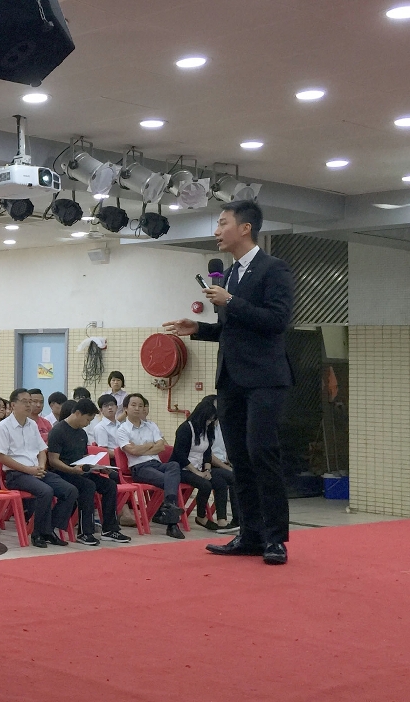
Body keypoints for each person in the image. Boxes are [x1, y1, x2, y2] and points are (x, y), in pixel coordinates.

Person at [165, 201, 295, 565]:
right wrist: (200, 329)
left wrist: (231, 300)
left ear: (245, 228)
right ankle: (250, 534)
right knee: (239, 457)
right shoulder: (232, 274)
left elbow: (277, 320)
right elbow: (232, 329)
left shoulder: (274, 269)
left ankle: (275, 539)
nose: (217, 231)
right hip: (231, 379)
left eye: (223, 223)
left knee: (262, 453)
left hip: (266, 379)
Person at [0, 388, 75, 548]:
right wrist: (29, 470)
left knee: (69, 490)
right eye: (25, 402)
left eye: (30, 401)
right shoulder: (3, 427)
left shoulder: (32, 425)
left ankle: (48, 530)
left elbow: (41, 450)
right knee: (45, 491)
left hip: (36, 470)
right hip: (16, 474)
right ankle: (37, 533)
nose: (29, 405)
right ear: (13, 405)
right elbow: (2, 457)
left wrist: (40, 466)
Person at [45, 399, 132, 546]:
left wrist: (98, 466)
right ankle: (85, 532)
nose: (88, 423)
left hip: (80, 470)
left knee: (110, 485)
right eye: (87, 419)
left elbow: (83, 456)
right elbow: (53, 460)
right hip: (62, 472)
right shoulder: (58, 431)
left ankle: (109, 529)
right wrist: (71, 469)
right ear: (78, 413)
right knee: (88, 486)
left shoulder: (82, 433)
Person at [116, 393, 185, 539]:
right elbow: (132, 451)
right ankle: (173, 524)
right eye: (133, 405)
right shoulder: (122, 430)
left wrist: (142, 448)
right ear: (126, 409)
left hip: (156, 463)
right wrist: (149, 445)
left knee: (173, 465)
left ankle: (169, 505)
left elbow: (161, 447)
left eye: (140, 406)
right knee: (169, 480)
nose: (137, 408)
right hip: (139, 468)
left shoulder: (151, 425)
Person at [173, 396, 238, 532]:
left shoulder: (207, 430)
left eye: (213, 420)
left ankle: (222, 520)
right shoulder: (185, 429)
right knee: (205, 485)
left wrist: (207, 470)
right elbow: (180, 455)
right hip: (182, 468)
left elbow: (207, 452)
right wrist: (197, 473)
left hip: (200, 468)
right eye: (209, 419)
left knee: (221, 481)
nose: (210, 423)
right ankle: (201, 516)